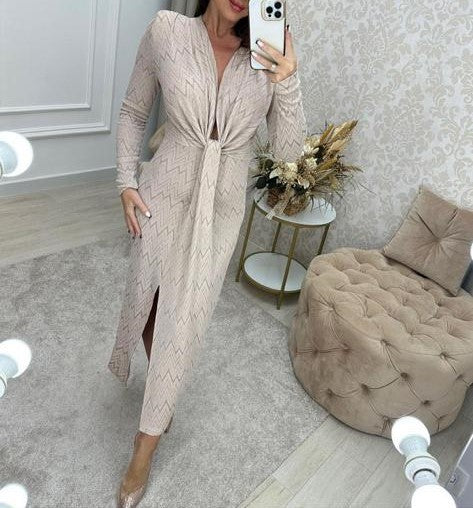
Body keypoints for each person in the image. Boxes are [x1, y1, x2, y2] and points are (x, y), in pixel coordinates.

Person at [108, 0, 307, 505]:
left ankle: (145, 444)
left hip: (220, 209)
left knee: (186, 319)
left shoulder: (267, 52)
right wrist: (127, 181)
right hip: (163, 192)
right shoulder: (167, 31)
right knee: (148, 303)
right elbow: (134, 110)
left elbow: (288, 156)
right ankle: (163, 392)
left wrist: (286, 80)